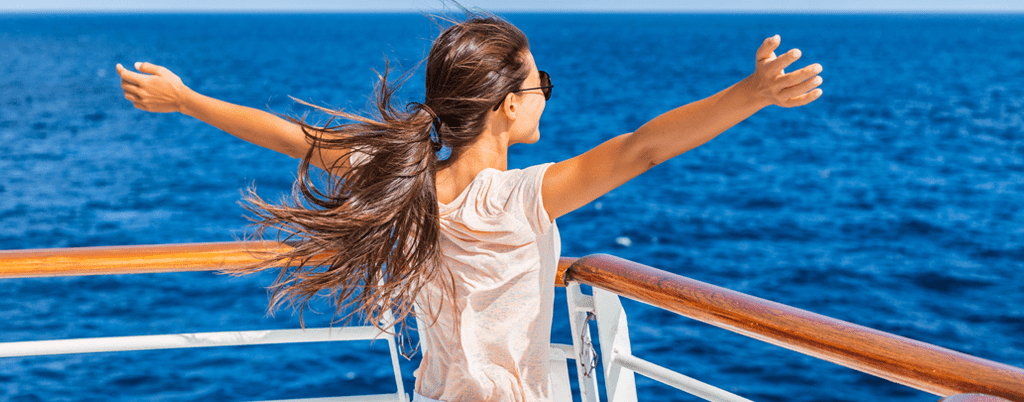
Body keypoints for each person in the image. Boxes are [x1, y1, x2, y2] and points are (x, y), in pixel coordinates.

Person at [115, 12, 822, 402]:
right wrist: (751, 94)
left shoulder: (407, 178)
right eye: (539, 81)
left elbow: (295, 137)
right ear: (510, 106)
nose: (547, 91)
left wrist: (185, 99)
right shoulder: (521, 197)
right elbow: (642, 149)